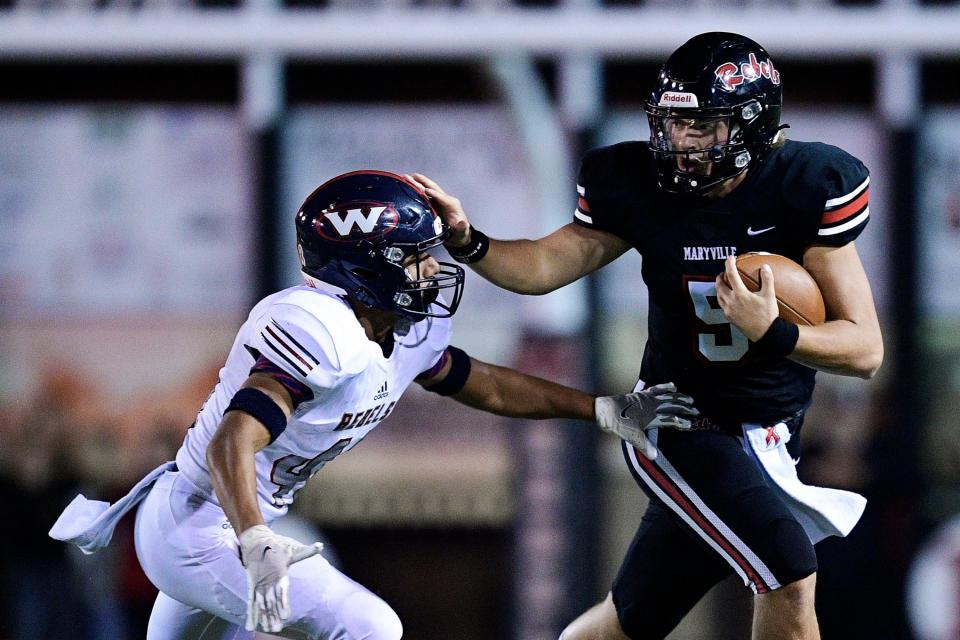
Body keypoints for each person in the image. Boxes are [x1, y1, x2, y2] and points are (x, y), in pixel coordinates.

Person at [49, 170, 698, 639]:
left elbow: (491, 385)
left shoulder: (398, 330)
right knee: (372, 627)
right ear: (363, 267)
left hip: (235, 524)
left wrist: (601, 410)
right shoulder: (315, 328)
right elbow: (232, 439)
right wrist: (253, 540)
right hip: (201, 527)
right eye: (411, 258)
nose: (429, 272)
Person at [414, 32, 883, 640]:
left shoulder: (807, 184)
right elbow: (539, 268)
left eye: (703, 126)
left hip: (768, 437)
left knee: (632, 620)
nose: (682, 143)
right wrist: (468, 241)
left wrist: (775, 334)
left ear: (754, 124)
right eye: (672, 124)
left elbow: (864, 350)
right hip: (676, 424)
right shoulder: (635, 182)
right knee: (788, 572)